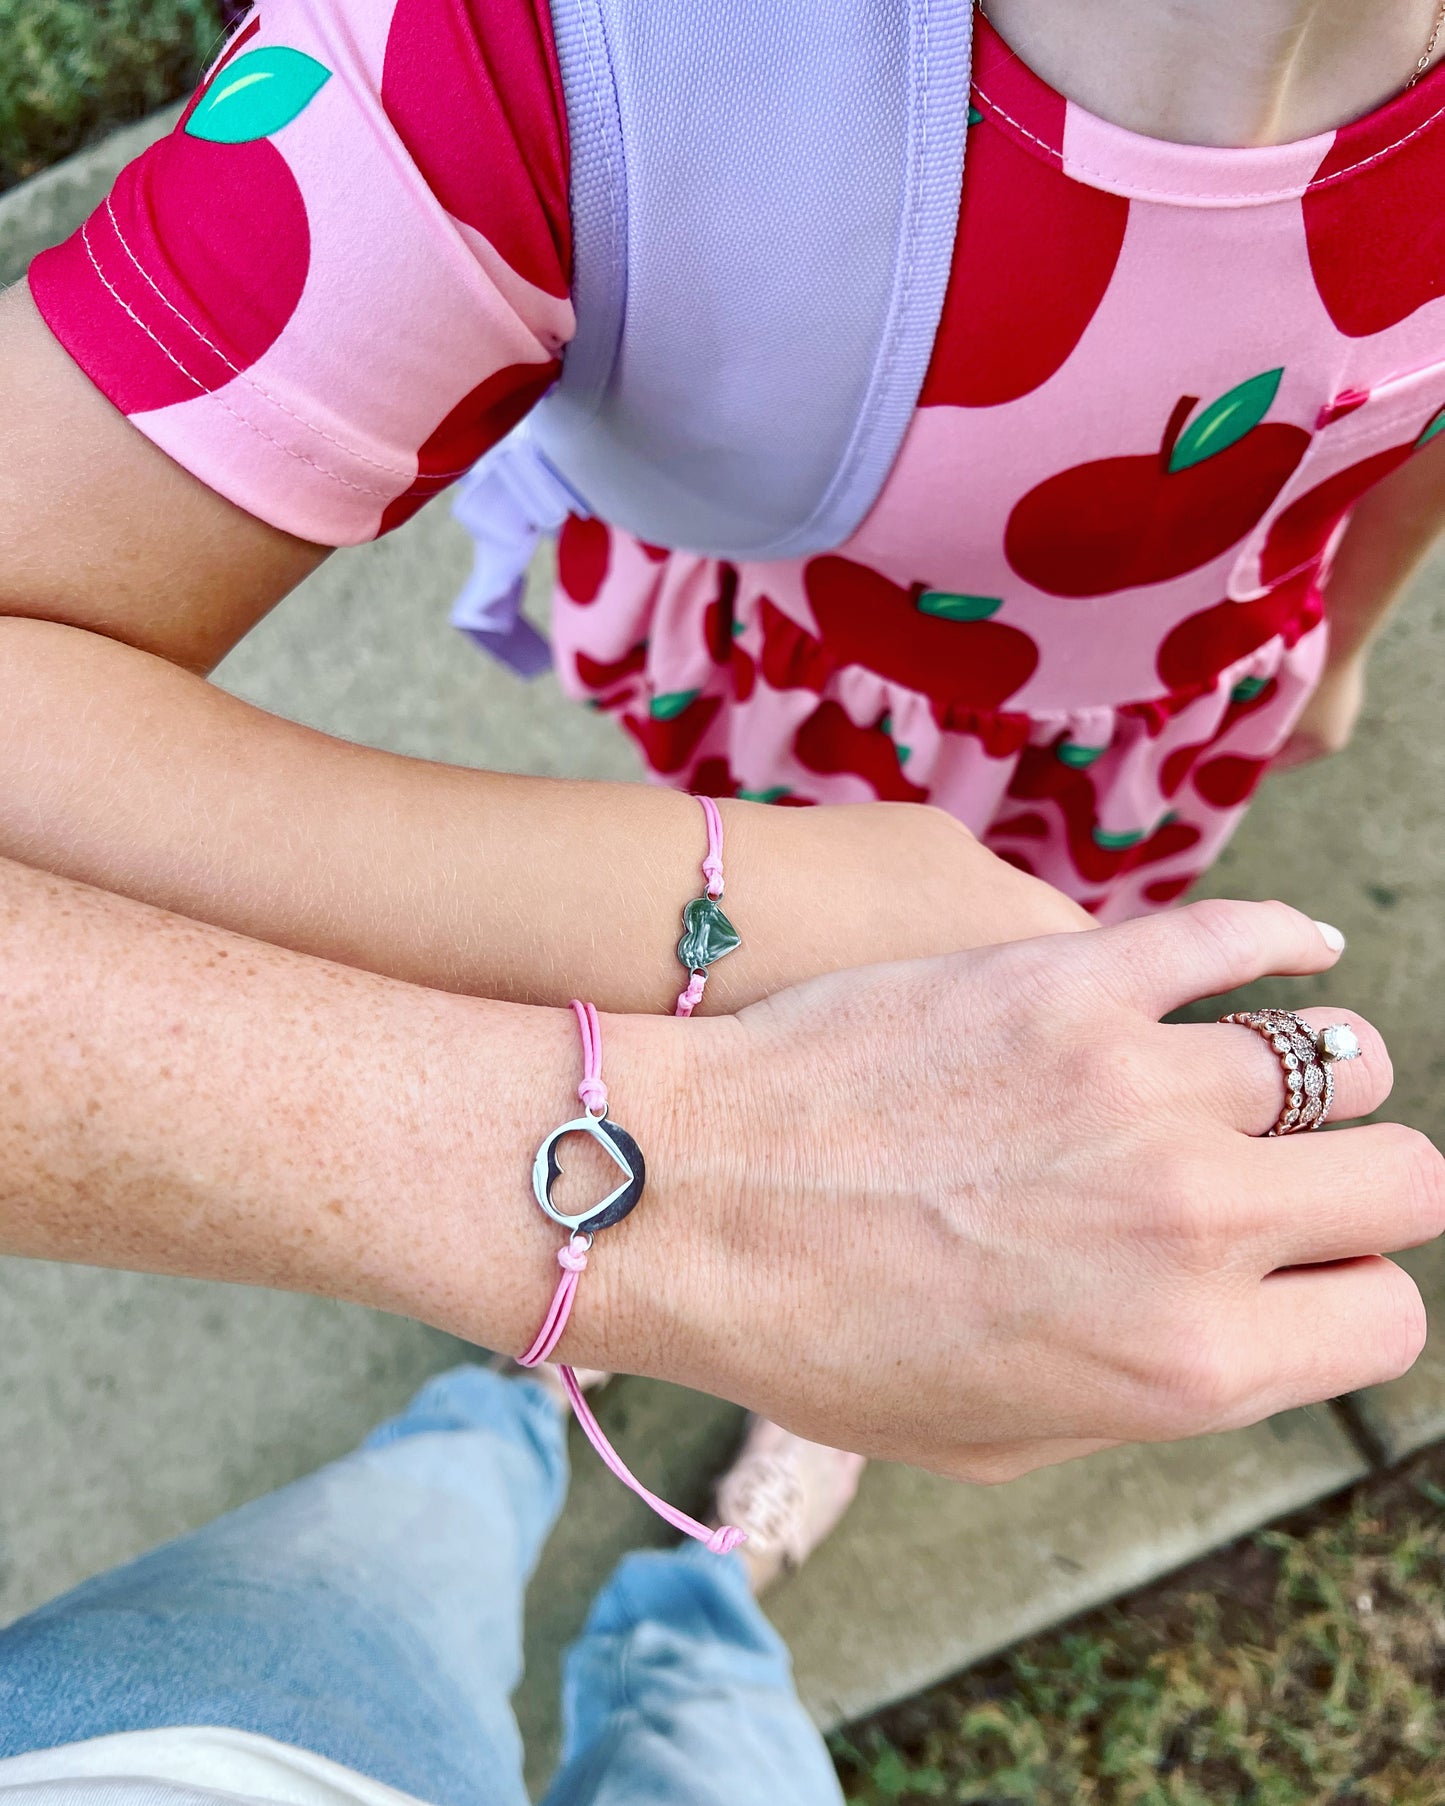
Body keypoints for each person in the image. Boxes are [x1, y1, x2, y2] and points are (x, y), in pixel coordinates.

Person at [2, 0, 1444, 1785]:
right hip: (798, 696)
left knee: (1026, 984)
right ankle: (590, 1372)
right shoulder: (536, 50)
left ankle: (637, 1388)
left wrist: (1349, 631)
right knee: (813, 1037)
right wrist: (685, 1080)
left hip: (1165, 717)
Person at [0, 1363, 861, 1804]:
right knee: (723, 1736)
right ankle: (723, 1577)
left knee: (414, 1534)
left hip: (144, 1754)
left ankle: (526, 1399)